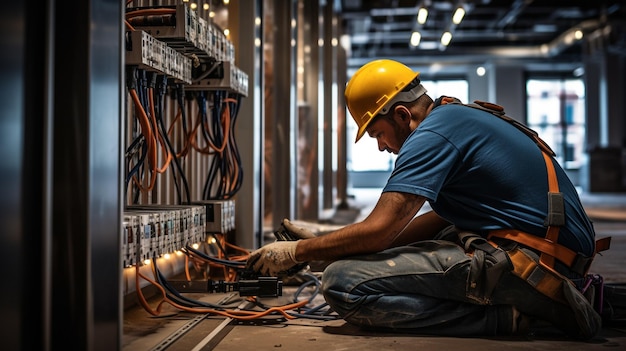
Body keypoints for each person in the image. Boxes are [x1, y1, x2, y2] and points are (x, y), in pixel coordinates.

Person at [246, 59, 608, 339]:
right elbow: (433, 221)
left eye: (378, 133)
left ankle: (507, 317)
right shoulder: (454, 117)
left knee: (342, 282)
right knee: (402, 244)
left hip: (538, 266)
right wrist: (333, 242)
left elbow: (383, 230)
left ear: (402, 115)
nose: (381, 146)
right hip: (554, 255)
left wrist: (298, 253)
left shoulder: (431, 136)